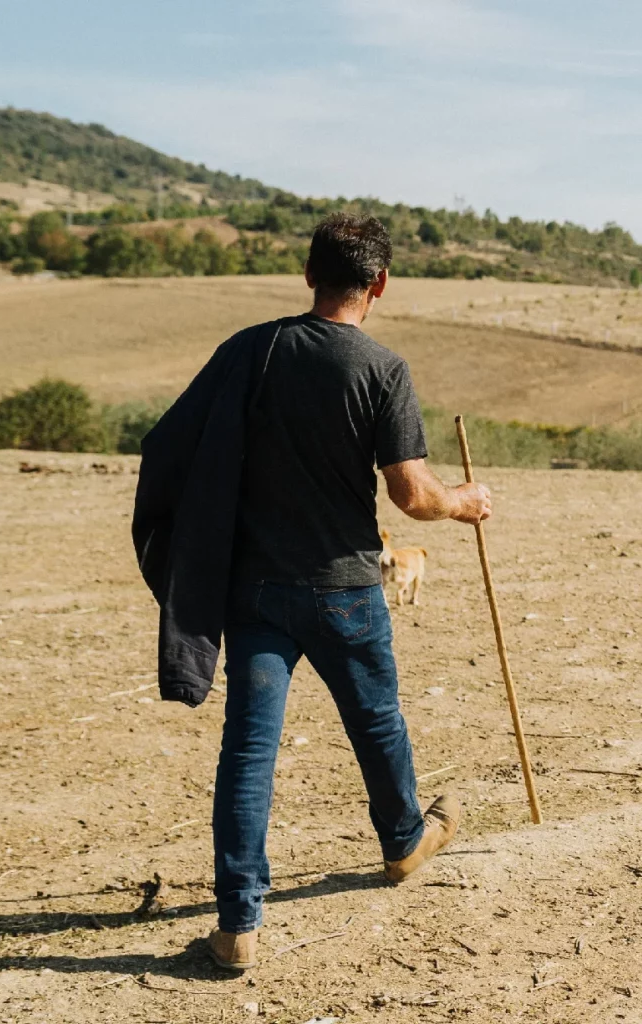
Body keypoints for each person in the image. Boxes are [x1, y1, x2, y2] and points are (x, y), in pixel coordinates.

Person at [131, 213, 490, 971]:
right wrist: (466, 499)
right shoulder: (381, 369)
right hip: (346, 593)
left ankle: (237, 927)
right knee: (378, 723)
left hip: (255, 592)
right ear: (380, 283)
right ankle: (402, 843)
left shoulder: (248, 350)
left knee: (249, 750)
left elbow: (170, 441)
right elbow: (411, 496)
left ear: (307, 274)